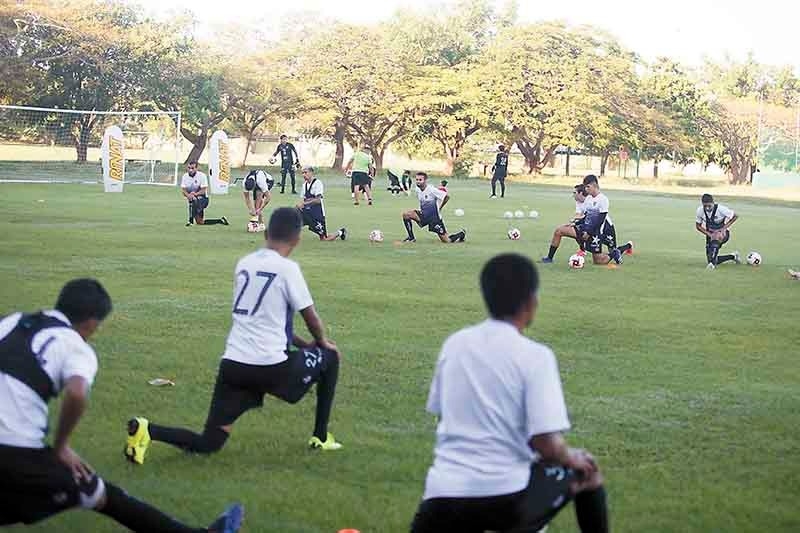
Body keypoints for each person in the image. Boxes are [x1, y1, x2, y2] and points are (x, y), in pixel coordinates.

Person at [0, 279, 243, 532]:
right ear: (92, 323)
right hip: (17, 449)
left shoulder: (12, 321)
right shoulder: (75, 346)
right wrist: (61, 447)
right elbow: (77, 393)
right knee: (102, 494)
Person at [125, 208, 344, 465]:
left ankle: (146, 430)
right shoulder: (288, 269)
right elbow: (311, 317)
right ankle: (320, 436)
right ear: (297, 239)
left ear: (265, 232)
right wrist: (320, 343)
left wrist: (303, 345)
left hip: (233, 366)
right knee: (330, 356)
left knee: (209, 442)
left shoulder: (245, 264)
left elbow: (264, 319)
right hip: (272, 368)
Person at [410, 254, 609, 533]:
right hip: (505, 500)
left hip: (441, 497)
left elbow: (443, 415)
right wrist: (572, 458)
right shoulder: (536, 357)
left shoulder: (455, 344)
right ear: (531, 301)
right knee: (587, 472)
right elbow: (547, 445)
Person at [542, 183, 633, 264]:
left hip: (605, 229)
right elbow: (581, 216)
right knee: (559, 230)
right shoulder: (579, 202)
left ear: (581, 194)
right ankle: (549, 258)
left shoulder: (594, 200)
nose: (573, 195)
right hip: (588, 227)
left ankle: (626, 247)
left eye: (574, 193)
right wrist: (574, 223)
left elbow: (596, 219)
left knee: (608, 253)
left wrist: (586, 230)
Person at [576, 175, 632, 265]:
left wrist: (588, 232)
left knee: (611, 250)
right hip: (594, 230)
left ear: (594, 185)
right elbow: (587, 216)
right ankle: (614, 253)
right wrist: (576, 223)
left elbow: (600, 219)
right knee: (597, 260)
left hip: (605, 229)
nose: (586, 189)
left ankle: (626, 247)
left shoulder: (603, 199)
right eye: (585, 187)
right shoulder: (588, 199)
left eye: (588, 186)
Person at [401, 172, 465, 244]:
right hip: (423, 215)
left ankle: (461, 234)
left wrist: (440, 208)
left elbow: (447, 197)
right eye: (417, 180)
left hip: (434, 218)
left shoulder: (432, 190)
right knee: (406, 214)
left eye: (420, 180)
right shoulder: (418, 189)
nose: (418, 182)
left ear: (425, 180)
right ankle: (411, 238)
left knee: (447, 240)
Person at [295, 166, 347, 242]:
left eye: (305, 172)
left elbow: (318, 200)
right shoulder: (304, 185)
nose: (303, 174)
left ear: (311, 173)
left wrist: (305, 203)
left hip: (317, 215)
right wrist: (300, 205)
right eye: (302, 173)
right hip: (307, 213)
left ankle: (341, 232)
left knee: (324, 238)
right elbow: (304, 199)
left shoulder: (317, 183)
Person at [695, 193, 740, 270]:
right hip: (710, 235)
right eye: (705, 206)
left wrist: (724, 229)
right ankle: (733, 256)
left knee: (716, 237)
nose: (707, 208)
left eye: (709, 206)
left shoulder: (721, 209)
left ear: (713, 203)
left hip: (723, 234)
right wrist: (709, 234)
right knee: (711, 258)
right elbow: (698, 226)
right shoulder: (700, 211)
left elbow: (735, 216)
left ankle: (712, 265)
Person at [181, 161, 229, 227]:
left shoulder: (202, 176)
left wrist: (194, 194)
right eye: (189, 168)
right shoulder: (185, 176)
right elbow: (183, 190)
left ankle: (190, 221)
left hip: (203, 199)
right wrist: (188, 195)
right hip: (194, 199)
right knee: (200, 222)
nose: (190, 170)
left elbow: (203, 190)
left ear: (196, 168)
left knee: (193, 199)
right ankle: (220, 220)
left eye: (192, 168)